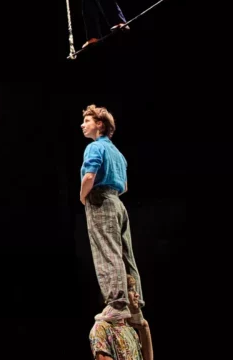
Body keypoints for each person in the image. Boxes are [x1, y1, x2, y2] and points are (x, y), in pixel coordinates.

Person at [78, 105, 146, 324]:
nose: (82, 125)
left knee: (107, 252)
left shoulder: (95, 147)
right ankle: (135, 305)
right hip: (118, 202)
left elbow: (89, 176)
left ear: (100, 124)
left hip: (100, 200)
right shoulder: (118, 153)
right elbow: (124, 186)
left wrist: (83, 196)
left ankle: (117, 304)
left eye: (87, 121)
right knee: (126, 254)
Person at [87, 276, 153, 360]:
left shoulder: (128, 328)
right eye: (130, 290)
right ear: (117, 295)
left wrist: (144, 327)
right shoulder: (101, 328)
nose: (137, 294)